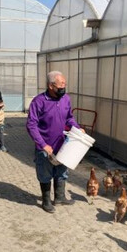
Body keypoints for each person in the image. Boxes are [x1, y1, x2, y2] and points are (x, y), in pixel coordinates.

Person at [27, 71, 82, 213]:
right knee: (45, 173)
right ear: (51, 86)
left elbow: (69, 118)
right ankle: (46, 201)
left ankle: (60, 197)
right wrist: (42, 144)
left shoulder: (66, 99)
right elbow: (31, 125)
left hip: (62, 144)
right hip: (45, 146)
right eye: (61, 85)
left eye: (65, 84)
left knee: (62, 171)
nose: (64, 87)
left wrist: (77, 128)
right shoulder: (38, 101)